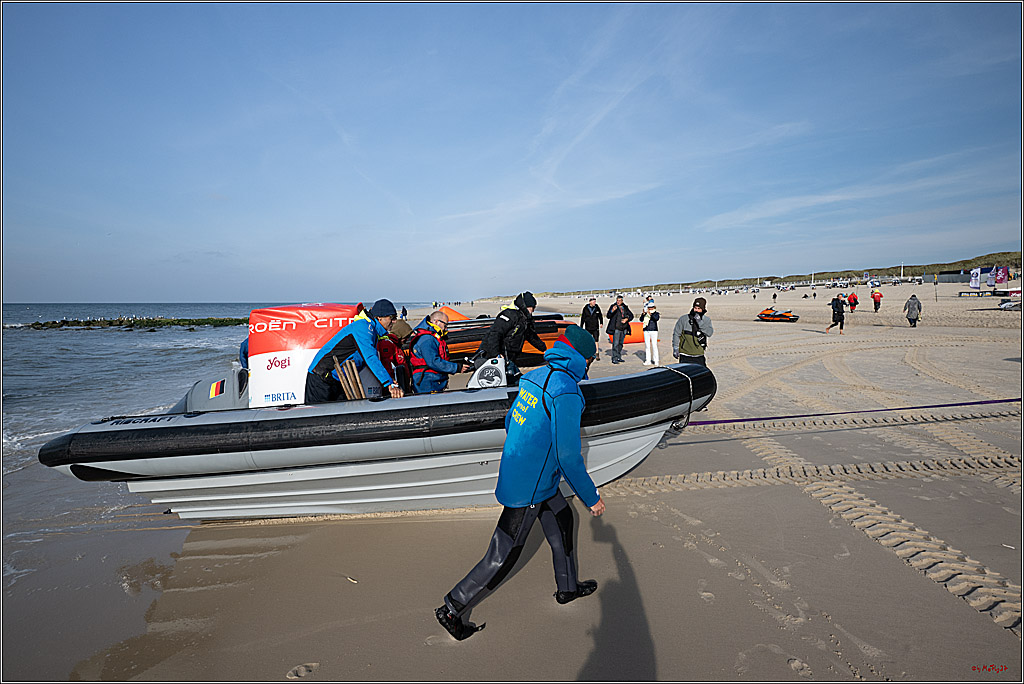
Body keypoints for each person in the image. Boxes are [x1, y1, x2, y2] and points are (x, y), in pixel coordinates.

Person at [435, 325, 605, 641]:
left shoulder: (535, 376)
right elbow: (568, 456)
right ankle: (452, 607)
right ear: (583, 358)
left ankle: (567, 588)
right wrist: (591, 497)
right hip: (530, 485)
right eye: (591, 360)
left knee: (563, 519)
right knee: (504, 553)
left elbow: (510, 420)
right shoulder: (566, 390)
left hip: (526, 472)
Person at [305, 299, 405, 403]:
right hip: (321, 377)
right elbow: (370, 357)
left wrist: (389, 379)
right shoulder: (363, 327)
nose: (394, 321)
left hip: (337, 380)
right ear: (379, 318)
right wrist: (389, 384)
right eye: (392, 318)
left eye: (395, 318)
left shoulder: (374, 332)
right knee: (318, 412)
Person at [473, 292, 547, 378]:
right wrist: (496, 354)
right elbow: (495, 334)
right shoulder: (509, 315)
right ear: (525, 306)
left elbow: (532, 337)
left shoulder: (526, 321)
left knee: (515, 378)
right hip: (493, 356)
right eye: (532, 307)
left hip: (509, 357)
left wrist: (544, 349)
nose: (533, 310)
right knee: (511, 379)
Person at [408, 311, 470, 393]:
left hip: (433, 379)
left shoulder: (432, 337)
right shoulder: (427, 339)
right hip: (427, 381)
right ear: (436, 322)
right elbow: (433, 362)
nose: (446, 328)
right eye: (445, 325)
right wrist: (456, 367)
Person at [672, 297, 713, 366]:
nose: (696, 310)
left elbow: (709, 333)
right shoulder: (683, 319)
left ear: (703, 309)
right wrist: (675, 348)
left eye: (699, 308)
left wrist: (699, 322)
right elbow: (676, 334)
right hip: (684, 354)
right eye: (695, 308)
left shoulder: (706, 320)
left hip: (698, 354)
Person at [605, 295, 634, 364]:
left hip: (624, 328)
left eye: (620, 300)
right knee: (615, 344)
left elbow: (631, 315)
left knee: (620, 344)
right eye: (617, 300)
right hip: (616, 328)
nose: (618, 302)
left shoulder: (625, 307)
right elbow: (608, 316)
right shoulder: (613, 306)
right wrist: (612, 311)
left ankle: (618, 357)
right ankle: (614, 358)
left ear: (622, 301)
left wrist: (627, 319)